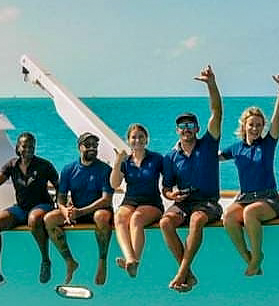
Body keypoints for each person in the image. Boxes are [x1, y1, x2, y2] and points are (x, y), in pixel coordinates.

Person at [159, 65, 224, 292]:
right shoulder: (170, 156)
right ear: (177, 130)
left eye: (190, 125)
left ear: (197, 128)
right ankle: (188, 274)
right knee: (165, 222)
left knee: (197, 220)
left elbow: (217, 112)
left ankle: (181, 272)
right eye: (182, 126)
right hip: (183, 202)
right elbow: (166, 188)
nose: (186, 129)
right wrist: (171, 195)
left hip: (208, 203)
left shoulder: (208, 144)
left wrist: (211, 84)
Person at [219, 73, 279, 276]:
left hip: (269, 199)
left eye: (259, 125)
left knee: (250, 214)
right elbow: (210, 158)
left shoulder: (268, 144)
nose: (255, 128)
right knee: (228, 217)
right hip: (245, 198)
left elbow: (278, 118)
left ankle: (258, 255)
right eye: (251, 124)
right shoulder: (236, 148)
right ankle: (247, 257)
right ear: (244, 126)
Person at [0, 132, 59, 292]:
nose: (28, 149)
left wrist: (62, 206)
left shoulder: (44, 165)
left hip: (42, 205)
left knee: (34, 219)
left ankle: (45, 260)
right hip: (21, 208)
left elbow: (60, 186)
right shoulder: (12, 165)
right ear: (18, 147)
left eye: (32, 146)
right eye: (25, 146)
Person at [45, 132, 116, 286]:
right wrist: (65, 211)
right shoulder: (68, 169)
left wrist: (80, 211)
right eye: (88, 145)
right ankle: (70, 261)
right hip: (77, 212)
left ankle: (102, 261)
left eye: (95, 145)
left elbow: (106, 200)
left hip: (97, 211)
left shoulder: (104, 169)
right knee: (49, 219)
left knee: (101, 217)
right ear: (79, 147)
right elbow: (61, 197)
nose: (92, 148)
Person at [109, 123, 168, 278]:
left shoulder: (156, 159)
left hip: (152, 203)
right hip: (130, 201)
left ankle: (134, 261)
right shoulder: (126, 162)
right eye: (134, 137)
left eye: (141, 137)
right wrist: (117, 162)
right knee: (119, 217)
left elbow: (170, 177)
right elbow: (114, 184)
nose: (137, 140)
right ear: (128, 140)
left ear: (146, 139)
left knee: (136, 219)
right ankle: (130, 259)